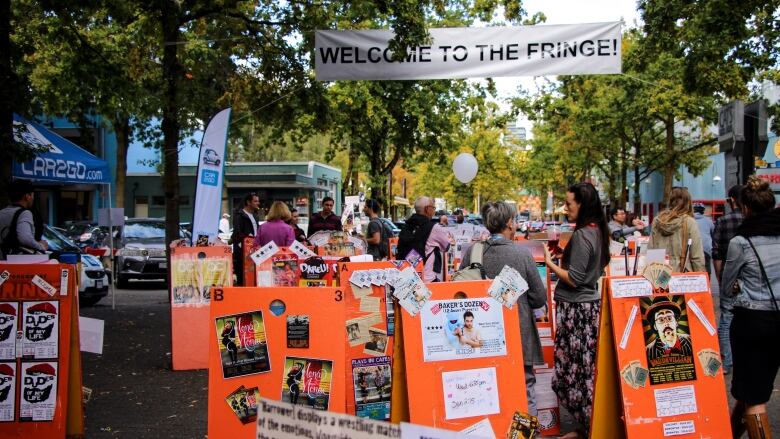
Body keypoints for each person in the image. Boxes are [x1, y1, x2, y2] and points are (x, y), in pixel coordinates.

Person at [459, 201, 547, 417]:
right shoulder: (522, 255)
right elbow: (538, 298)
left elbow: (459, 291)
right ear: (509, 223)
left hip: (482, 336)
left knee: (488, 390)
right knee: (525, 389)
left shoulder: (473, 252)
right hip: (518, 334)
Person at [542, 182, 611, 437]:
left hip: (576, 311)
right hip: (587, 307)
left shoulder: (583, 235)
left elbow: (574, 278)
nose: (565, 207)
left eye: (569, 203)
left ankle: (586, 426)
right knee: (584, 369)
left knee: (575, 369)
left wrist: (550, 264)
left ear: (582, 204)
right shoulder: (597, 231)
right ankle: (586, 426)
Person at [720, 176, 780, 439]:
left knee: (753, 397)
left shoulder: (741, 243)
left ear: (745, 208)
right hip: (778, 319)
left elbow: (726, 286)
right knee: (753, 389)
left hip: (751, 323)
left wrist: (734, 294)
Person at [712, 184, 744, 376]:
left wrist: (720, 276)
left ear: (732, 200)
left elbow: (717, 253)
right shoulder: (752, 220)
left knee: (726, 318)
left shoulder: (723, 221)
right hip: (750, 277)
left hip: (728, 274)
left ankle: (727, 362)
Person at [649, 187, 705, 272]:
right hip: (682, 274)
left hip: (659, 273)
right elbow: (696, 256)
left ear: (670, 201)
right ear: (688, 202)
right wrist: (701, 276)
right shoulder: (689, 222)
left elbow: (651, 249)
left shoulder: (657, 221)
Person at [397, 196, 451, 282]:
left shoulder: (406, 226)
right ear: (427, 209)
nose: (434, 210)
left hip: (406, 278)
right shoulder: (434, 228)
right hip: (427, 279)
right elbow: (446, 246)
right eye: (433, 207)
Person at [0, 179, 48, 259]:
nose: (33, 198)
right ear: (27, 196)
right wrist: (41, 246)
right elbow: (25, 238)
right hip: (16, 263)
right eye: (32, 195)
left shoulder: (1, 212)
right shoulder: (25, 213)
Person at [231, 193, 259, 285]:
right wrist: (248, 238)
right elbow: (237, 234)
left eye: (258, 201)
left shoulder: (255, 216)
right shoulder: (240, 215)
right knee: (243, 278)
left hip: (253, 251)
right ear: (248, 202)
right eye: (255, 201)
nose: (258, 203)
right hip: (242, 252)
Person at [693, 203, 714, 275]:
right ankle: (707, 282)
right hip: (706, 248)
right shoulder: (709, 221)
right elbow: (713, 233)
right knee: (707, 266)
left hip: (693, 248)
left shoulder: (689, 220)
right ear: (703, 211)